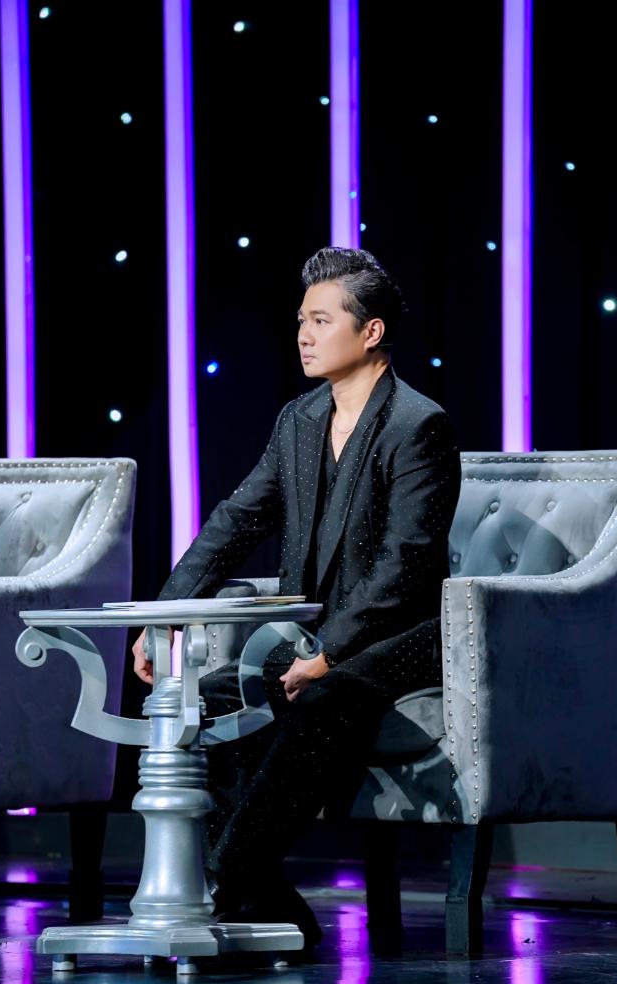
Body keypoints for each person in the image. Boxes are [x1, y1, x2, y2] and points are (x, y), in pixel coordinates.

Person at [132, 246, 461, 948]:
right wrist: (167, 617)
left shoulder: (418, 426)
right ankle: (267, 900)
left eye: (320, 320)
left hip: (403, 635)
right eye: (301, 321)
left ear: (370, 331)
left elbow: (405, 566)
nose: (304, 335)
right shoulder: (298, 420)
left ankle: (222, 883)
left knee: (321, 698)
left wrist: (330, 652)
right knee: (205, 697)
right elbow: (235, 522)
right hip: (316, 628)